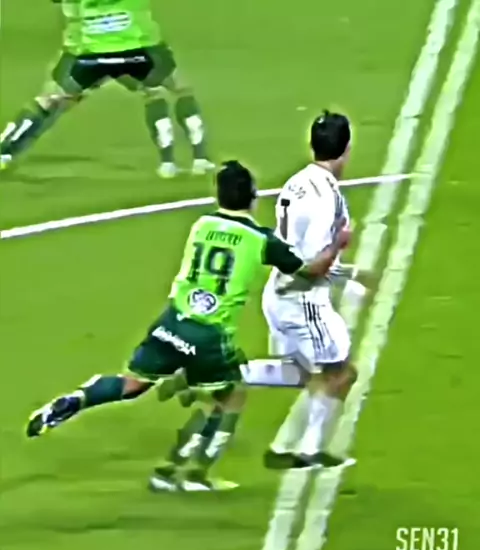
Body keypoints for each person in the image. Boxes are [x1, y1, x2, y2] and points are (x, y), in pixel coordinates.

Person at [26, 160, 351, 491]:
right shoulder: (261, 239)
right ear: (253, 197)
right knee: (229, 396)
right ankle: (191, 474)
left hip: (173, 321)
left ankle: (78, 399)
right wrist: (337, 243)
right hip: (209, 336)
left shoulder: (201, 225)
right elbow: (311, 271)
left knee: (132, 384)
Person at [261, 110, 372, 470]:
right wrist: (340, 245)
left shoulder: (296, 182)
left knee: (300, 374)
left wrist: (349, 273)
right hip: (302, 299)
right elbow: (313, 265)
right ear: (347, 149)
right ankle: (309, 450)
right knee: (341, 373)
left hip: (277, 290)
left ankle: (225, 377)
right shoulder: (329, 199)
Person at [0, 0, 214, 178]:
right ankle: (191, 161)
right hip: (137, 50)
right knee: (172, 90)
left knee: (48, 101)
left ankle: (4, 152)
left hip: (89, 55)